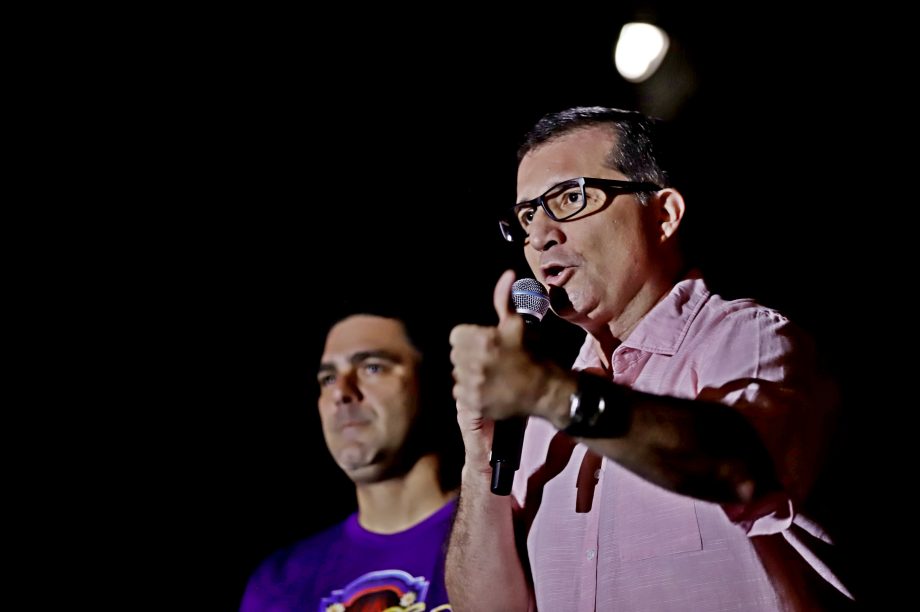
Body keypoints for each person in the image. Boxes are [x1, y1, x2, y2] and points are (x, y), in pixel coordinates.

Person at [446, 106, 853, 610]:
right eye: (528, 215)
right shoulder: (544, 411)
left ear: (664, 215)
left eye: (570, 198)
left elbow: (738, 466)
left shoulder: (751, 339)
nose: (540, 235)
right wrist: (480, 458)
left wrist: (550, 394)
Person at [241, 300, 462, 611]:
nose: (341, 392)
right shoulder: (280, 583)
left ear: (439, 382)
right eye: (328, 379)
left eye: (372, 367)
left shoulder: (501, 535)